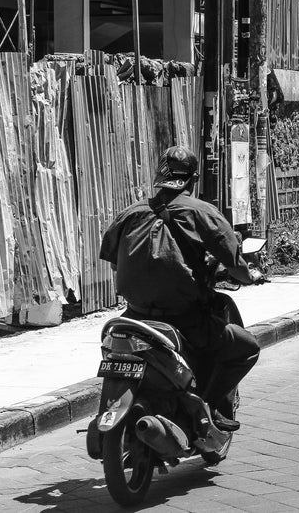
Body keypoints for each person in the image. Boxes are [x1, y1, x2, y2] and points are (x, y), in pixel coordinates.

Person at [100, 146, 262, 432]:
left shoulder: (129, 213)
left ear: (159, 176)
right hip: (183, 318)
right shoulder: (202, 212)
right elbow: (236, 267)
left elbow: (114, 264)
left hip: (134, 316)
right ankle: (209, 405)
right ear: (193, 179)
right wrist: (250, 276)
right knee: (246, 348)